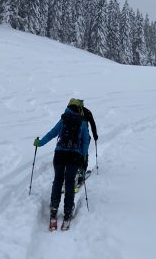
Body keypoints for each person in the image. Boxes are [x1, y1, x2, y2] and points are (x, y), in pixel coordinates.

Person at [34, 98, 97, 230]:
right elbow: (85, 142)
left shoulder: (64, 119)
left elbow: (52, 134)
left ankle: (54, 209)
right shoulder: (83, 122)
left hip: (59, 155)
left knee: (58, 180)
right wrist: (84, 156)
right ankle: (67, 213)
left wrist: (40, 143)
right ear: (79, 108)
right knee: (69, 183)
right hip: (73, 156)